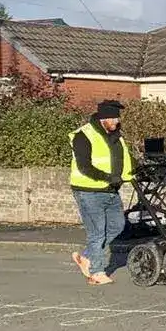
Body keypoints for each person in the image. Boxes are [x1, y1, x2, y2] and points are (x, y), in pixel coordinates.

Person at [70, 99, 137, 285]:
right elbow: (84, 167)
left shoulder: (117, 137)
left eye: (118, 118)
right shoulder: (83, 136)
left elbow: (125, 159)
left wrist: (141, 170)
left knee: (117, 225)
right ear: (103, 118)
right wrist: (108, 177)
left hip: (111, 190)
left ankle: (87, 257)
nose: (117, 122)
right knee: (97, 232)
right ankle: (96, 273)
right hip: (88, 191)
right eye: (114, 118)